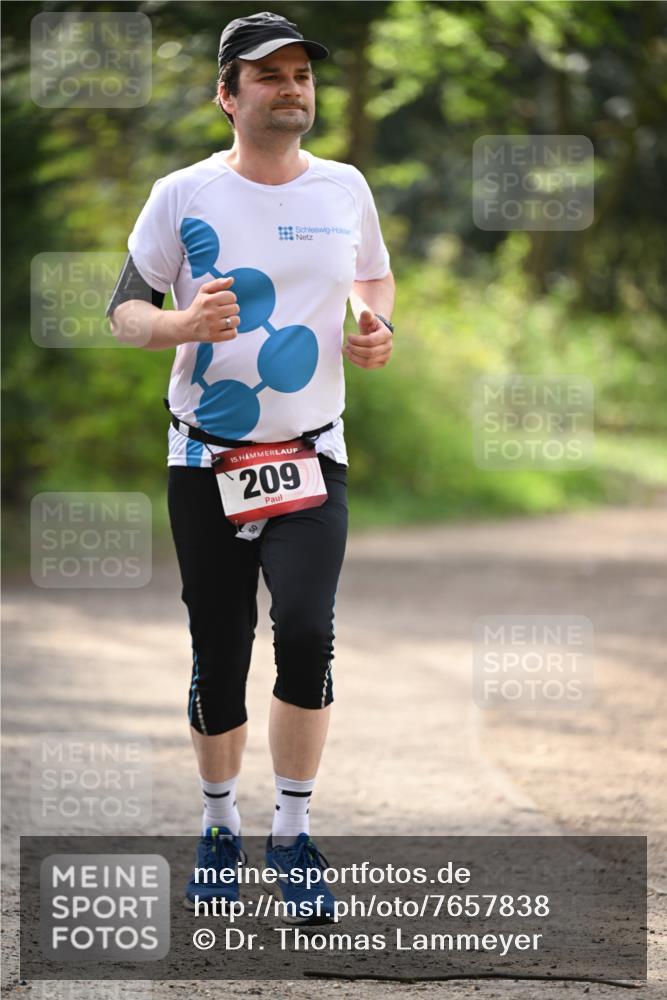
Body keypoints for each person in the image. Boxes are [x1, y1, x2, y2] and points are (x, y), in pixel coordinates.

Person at [107, 10, 395, 922]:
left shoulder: (345, 187)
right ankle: (220, 825)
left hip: (311, 453)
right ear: (227, 95)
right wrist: (181, 325)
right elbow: (125, 310)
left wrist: (376, 324)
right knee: (220, 649)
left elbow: (373, 277)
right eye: (269, 75)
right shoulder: (183, 192)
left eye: (301, 73)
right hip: (206, 457)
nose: (292, 87)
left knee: (307, 629)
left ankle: (293, 832)